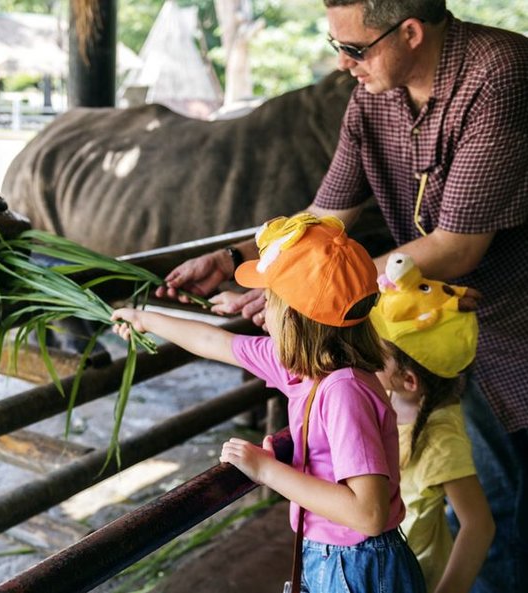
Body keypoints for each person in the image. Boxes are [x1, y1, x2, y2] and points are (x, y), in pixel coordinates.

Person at [156, 3, 528, 591]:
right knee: (462, 494)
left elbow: (457, 247)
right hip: (421, 325)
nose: (341, 63)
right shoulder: (374, 90)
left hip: (507, 324)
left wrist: (310, 287)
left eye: (354, 48)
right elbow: (326, 217)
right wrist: (239, 262)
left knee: (502, 503)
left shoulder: (500, 72)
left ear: (410, 31)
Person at [114, 214, 425, 593]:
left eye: (270, 300)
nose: (264, 310)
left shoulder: (344, 392)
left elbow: (369, 513)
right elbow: (215, 343)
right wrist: (144, 320)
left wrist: (266, 471)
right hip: (329, 555)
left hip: (356, 564)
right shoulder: (298, 367)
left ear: (292, 316)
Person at [370, 252, 494, 593]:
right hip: (380, 568)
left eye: (375, 351)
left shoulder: (440, 437)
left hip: (416, 578)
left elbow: (479, 525)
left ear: (409, 380)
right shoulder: (389, 397)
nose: (364, 354)